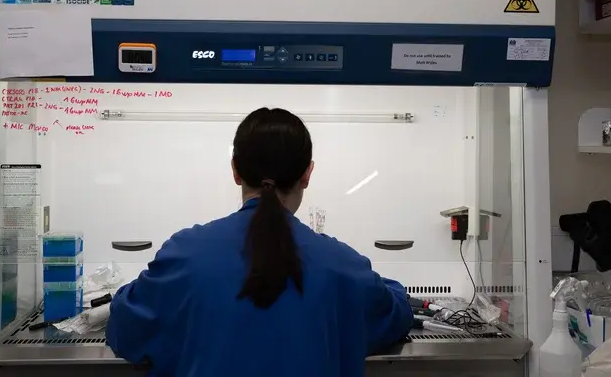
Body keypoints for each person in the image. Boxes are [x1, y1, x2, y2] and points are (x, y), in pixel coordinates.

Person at [106, 107, 413, 377]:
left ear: (235, 170)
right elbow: (395, 313)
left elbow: (124, 327)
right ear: (307, 174)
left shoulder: (185, 253)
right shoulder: (341, 264)